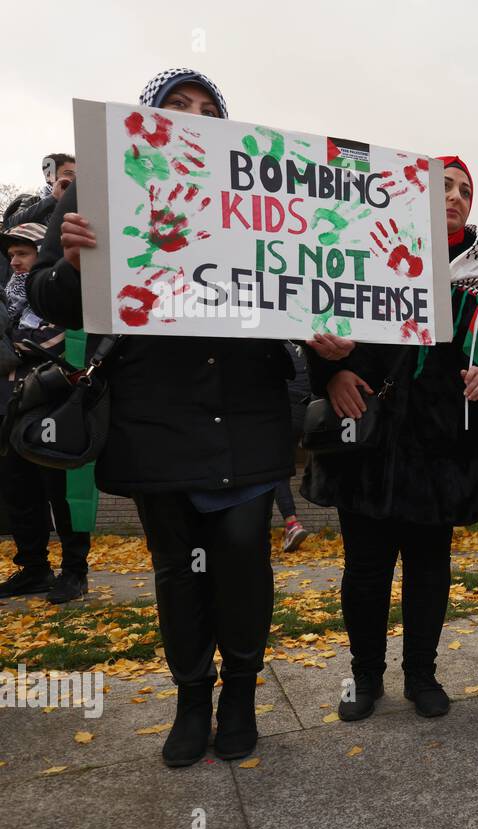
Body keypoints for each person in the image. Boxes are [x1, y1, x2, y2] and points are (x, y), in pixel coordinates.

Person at [26, 67, 294, 768]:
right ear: (149, 117)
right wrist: (80, 262)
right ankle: (190, 697)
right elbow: (48, 292)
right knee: (177, 566)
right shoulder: (103, 184)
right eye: (179, 105)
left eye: (209, 108)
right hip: (158, 414)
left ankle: (239, 695)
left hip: (247, 408)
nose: (195, 115)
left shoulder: (256, 192)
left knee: (243, 556)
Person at [302, 155, 478, 724]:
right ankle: (365, 676)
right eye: (443, 186)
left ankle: (421, 674)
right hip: (370, 429)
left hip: (441, 438)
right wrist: (331, 373)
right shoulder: (365, 248)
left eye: (465, 189)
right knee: (365, 567)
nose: (456, 196)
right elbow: (323, 323)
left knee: (429, 564)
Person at [0, 222, 92, 603]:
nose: (16, 263)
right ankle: (34, 568)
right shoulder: (9, 301)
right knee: (19, 489)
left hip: (57, 409)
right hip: (15, 408)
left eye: (23, 254)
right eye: (11, 257)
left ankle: (75, 571)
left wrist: (17, 348)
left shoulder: (64, 295)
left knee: (63, 492)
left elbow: (55, 341)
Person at [275, 341, 311, 552]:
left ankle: (291, 524)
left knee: (277, 472)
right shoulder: (307, 343)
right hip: (312, 410)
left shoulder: (278, 345)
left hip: (286, 408)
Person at [6, 154, 76, 231]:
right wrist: (52, 198)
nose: (74, 178)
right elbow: (11, 224)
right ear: (50, 176)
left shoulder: (80, 203)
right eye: (68, 173)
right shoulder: (32, 201)